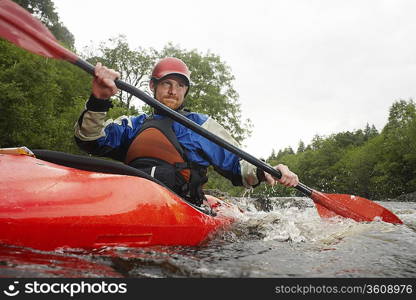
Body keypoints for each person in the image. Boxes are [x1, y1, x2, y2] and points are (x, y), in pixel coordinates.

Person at [74, 57, 299, 206]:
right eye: (166, 84)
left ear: (186, 90)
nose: (173, 91)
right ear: (153, 86)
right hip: (132, 201)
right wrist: (99, 99)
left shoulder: (200, 126)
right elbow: (90, 139)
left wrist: (266, 170)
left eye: (180, 86)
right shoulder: (134, 125)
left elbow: (238, 165)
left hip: (183, 206)